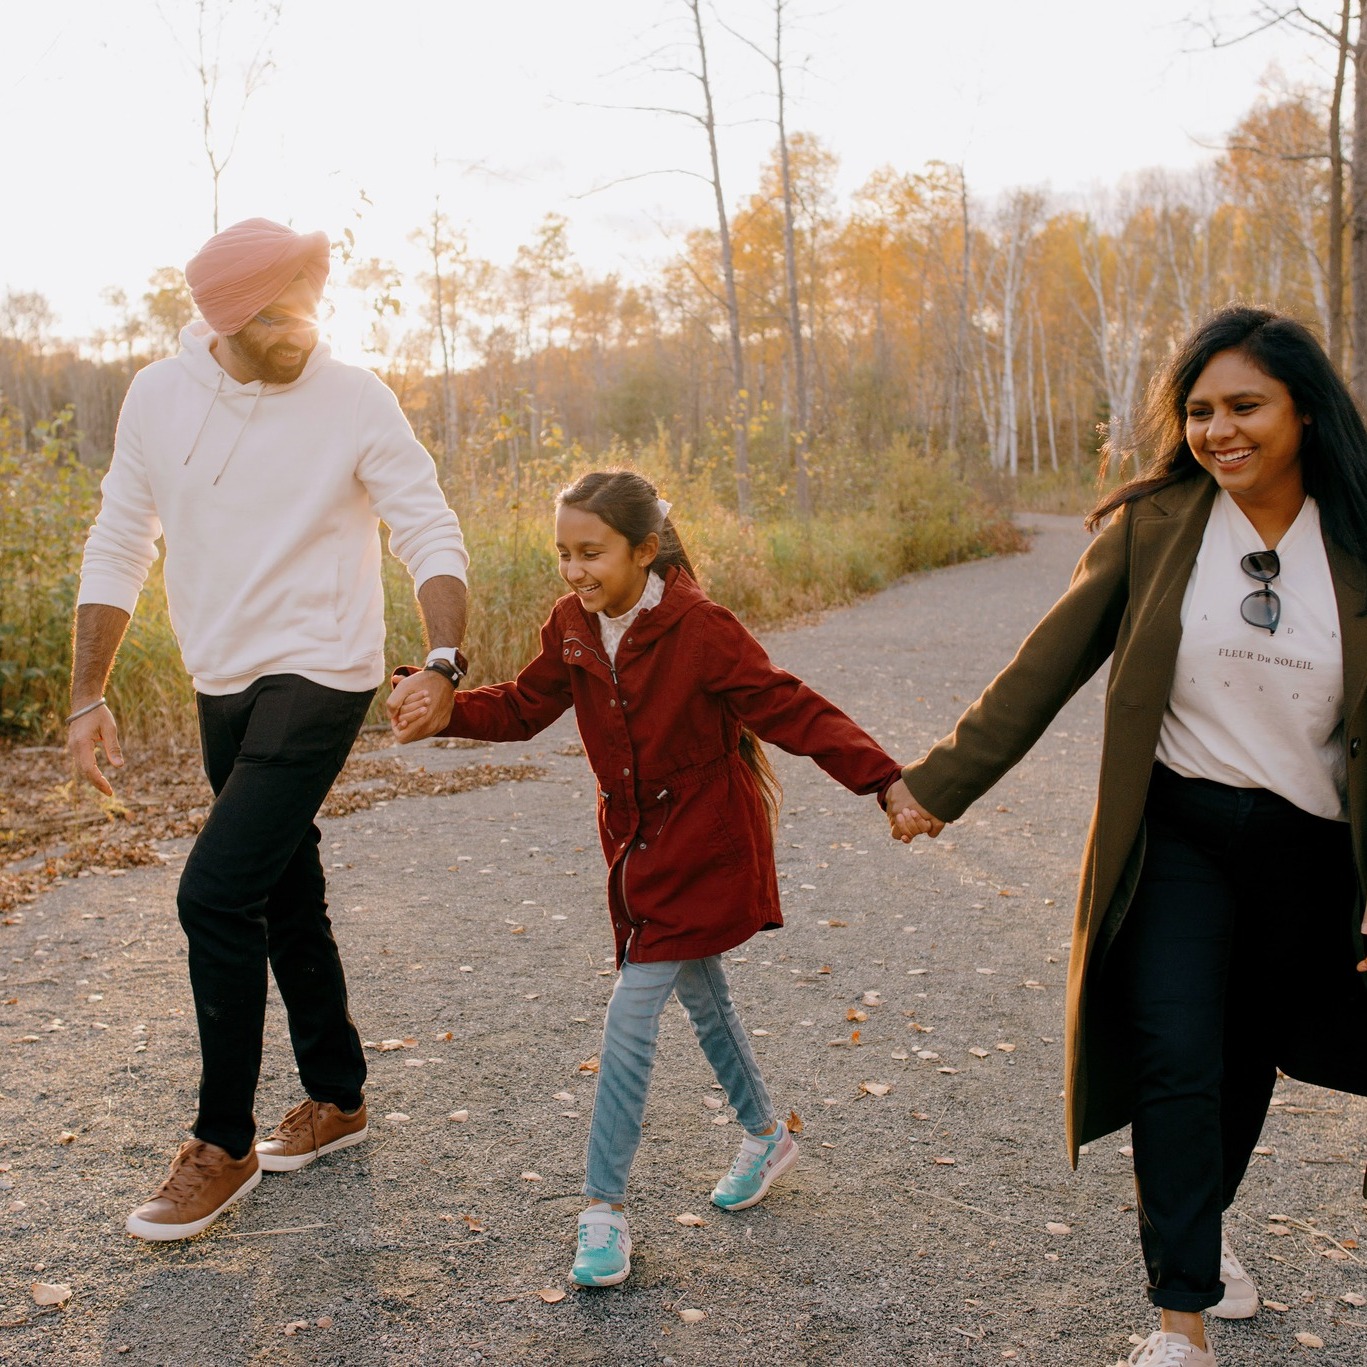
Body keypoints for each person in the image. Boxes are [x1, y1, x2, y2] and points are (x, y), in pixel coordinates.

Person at [889, 305, 1367, 1366]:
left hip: (1309, 852)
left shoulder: (1355, 536)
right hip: (1179, 834)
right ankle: (1178, 1325)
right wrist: (938, 782)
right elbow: (1045, 661)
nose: (1217, 429)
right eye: (1197, 410)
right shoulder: (1156, 524)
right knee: (1176, 1053)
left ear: (1302, 409)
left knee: (1244, 1061)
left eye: (1243, 405)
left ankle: (1203, 1238)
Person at [390, 468, 919, 1287]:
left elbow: (790, 707)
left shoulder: (700, 627)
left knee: (631, 1016)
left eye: (591, 553)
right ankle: (765, 1133)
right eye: (563, 553)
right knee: (702, 994)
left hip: (705, 847)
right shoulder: (572, 622)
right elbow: (525, 707)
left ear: (643, 549)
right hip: (637, 854)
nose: (573, 570)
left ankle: (601, 1207)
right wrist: (446, 710)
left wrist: (884, 781)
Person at [67, 217, 471, 1241]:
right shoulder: (159, 397)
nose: (302, 328)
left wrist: (440, 659)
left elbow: (424, 521)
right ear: (224, 317)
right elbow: (122, 536)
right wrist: (86, 693)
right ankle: (337, 1095)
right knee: (284, 885)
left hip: (324, 669)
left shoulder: (353, 397)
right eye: (278, 313)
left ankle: (223, 1141)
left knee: (214, 890)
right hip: (222, 673)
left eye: (311, 302)